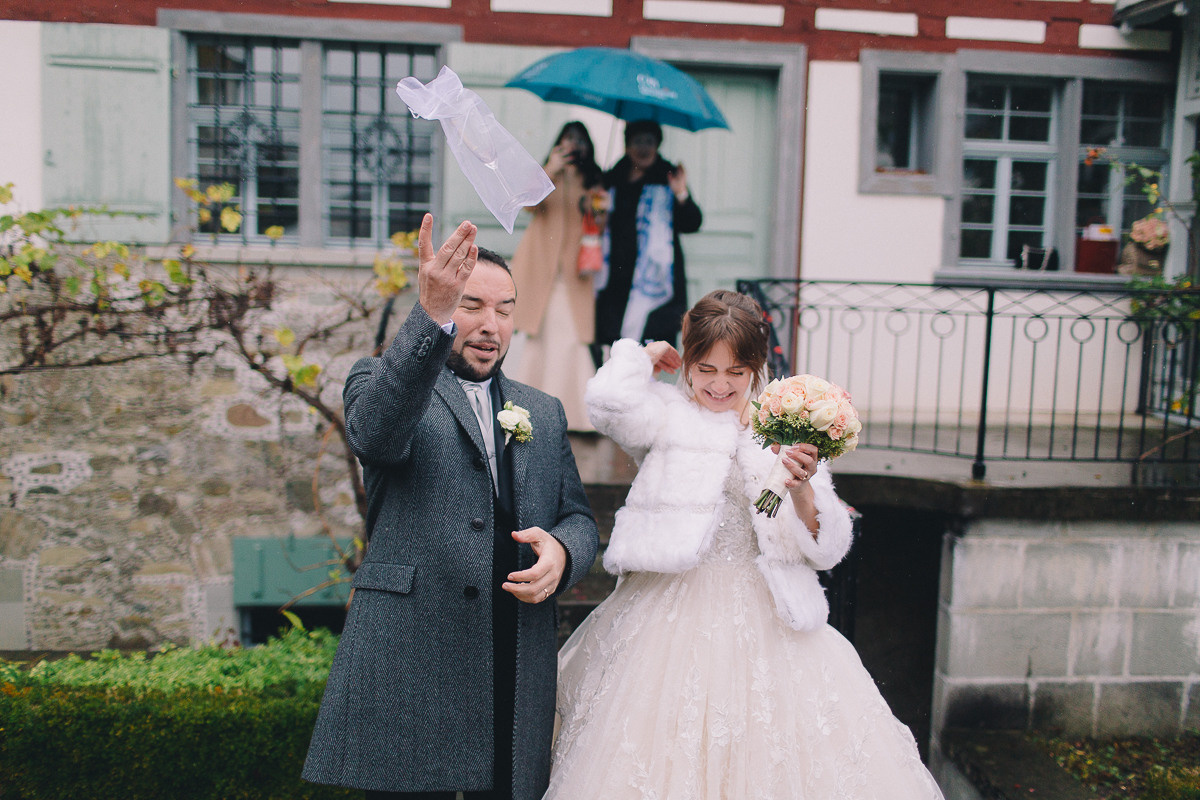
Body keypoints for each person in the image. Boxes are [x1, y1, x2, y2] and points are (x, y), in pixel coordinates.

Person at [544, 290, 945, 799]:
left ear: (757, 368)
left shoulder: (780, 429)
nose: (719, 384)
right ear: (688, 365)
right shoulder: (667, 416)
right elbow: (606, 404)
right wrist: (642, 356)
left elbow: (826, 548)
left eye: (735, 371)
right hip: (668, 604)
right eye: (706, 368)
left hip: (767, 608)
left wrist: (801, 492)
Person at [302, 214, 600, 800]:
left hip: (514, 659)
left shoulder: (541, 410)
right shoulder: (380, 381)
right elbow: (378, 434)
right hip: (413, 659)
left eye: (506, 309)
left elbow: (579, 519)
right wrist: (430, 318)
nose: (492, 326)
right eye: (471, 306)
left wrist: (564, 553)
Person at [511, 121, 607, 431]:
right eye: (569, 138)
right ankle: (531, 410)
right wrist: (550, 168)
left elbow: (600, 226)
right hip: (541, 269)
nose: (574, 144)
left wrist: (599, 209)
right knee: (538, 335)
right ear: (559, 142)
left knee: (570, 338)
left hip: (574, 272)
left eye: (581, 139)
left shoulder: (593, 180)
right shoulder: (544, 173)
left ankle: (574, 415)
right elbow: (526, 204)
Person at [593, 118, 702, 357]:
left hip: (653, 277)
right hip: (617, 275)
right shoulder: (612, 177)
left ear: (657, 145)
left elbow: (693, 223)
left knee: (649, 347)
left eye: (649, 141)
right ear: (627, 144)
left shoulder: (668, 177)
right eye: (637, 141)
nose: (643, 147)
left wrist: (681, 193)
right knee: (613, 342)